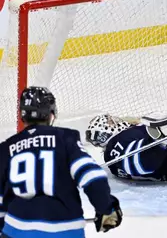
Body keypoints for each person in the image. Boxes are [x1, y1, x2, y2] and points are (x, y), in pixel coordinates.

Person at [0, 87, 122, 237]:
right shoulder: (66, 139)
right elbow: (92, 177)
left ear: (22, 116)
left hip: (15, 231)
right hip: (64, 231)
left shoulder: (6, 148)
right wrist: (106, 208)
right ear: (51, 114)